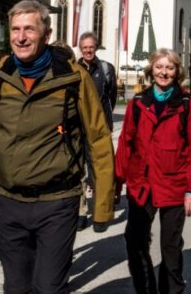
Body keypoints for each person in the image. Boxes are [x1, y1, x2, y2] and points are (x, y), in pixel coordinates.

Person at [0, 0, 116, 293]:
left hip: (58, 201)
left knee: (49, 287)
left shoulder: (73, 78)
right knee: (16, 288)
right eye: (15, 29)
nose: (20, 37)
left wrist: (102, 206)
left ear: (46, 35)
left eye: (29, 29)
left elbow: (98, 141)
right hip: (10, 202)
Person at [115, 48, 191, 294]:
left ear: (177, 72)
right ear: (151, 70)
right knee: (135, 241)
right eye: (159, 67)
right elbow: (125, 143)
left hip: (174, 185)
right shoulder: (137, 103)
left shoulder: (187, 105)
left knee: (171, 246)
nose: (163, 72)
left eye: (169, 68)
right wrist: (116, 182)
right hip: (141, 184)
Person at [76, 31, 118, 231]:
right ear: (80, 48)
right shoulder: (73, 68)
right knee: (79, 171)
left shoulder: (106, 69)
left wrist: (107, 123)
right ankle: (81, 212)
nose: (88, 51)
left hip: (99, 128)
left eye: (91, 47)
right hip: (78, 128)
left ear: (96, 47)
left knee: (101, 170)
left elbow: (112, 98)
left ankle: (100, 213)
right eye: (84, 47)